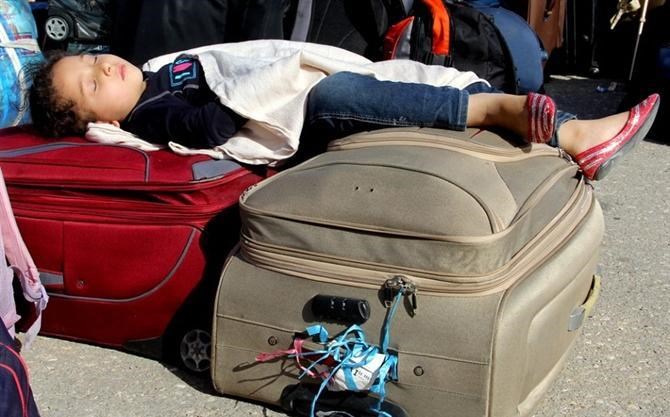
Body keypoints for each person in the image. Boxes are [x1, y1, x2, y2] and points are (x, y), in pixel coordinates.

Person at [28, 40, 660, 180]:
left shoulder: (163, 67)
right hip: (292, 126)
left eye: (93, 59)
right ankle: (516, 115)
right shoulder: (152, 113)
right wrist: (250, 89)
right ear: (104, 122)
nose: (103, 68)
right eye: (90, 84)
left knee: (365, 83)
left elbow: (244, 56)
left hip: (297, 96)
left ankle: (565, 133)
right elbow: (216, 125)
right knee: (335, 96)